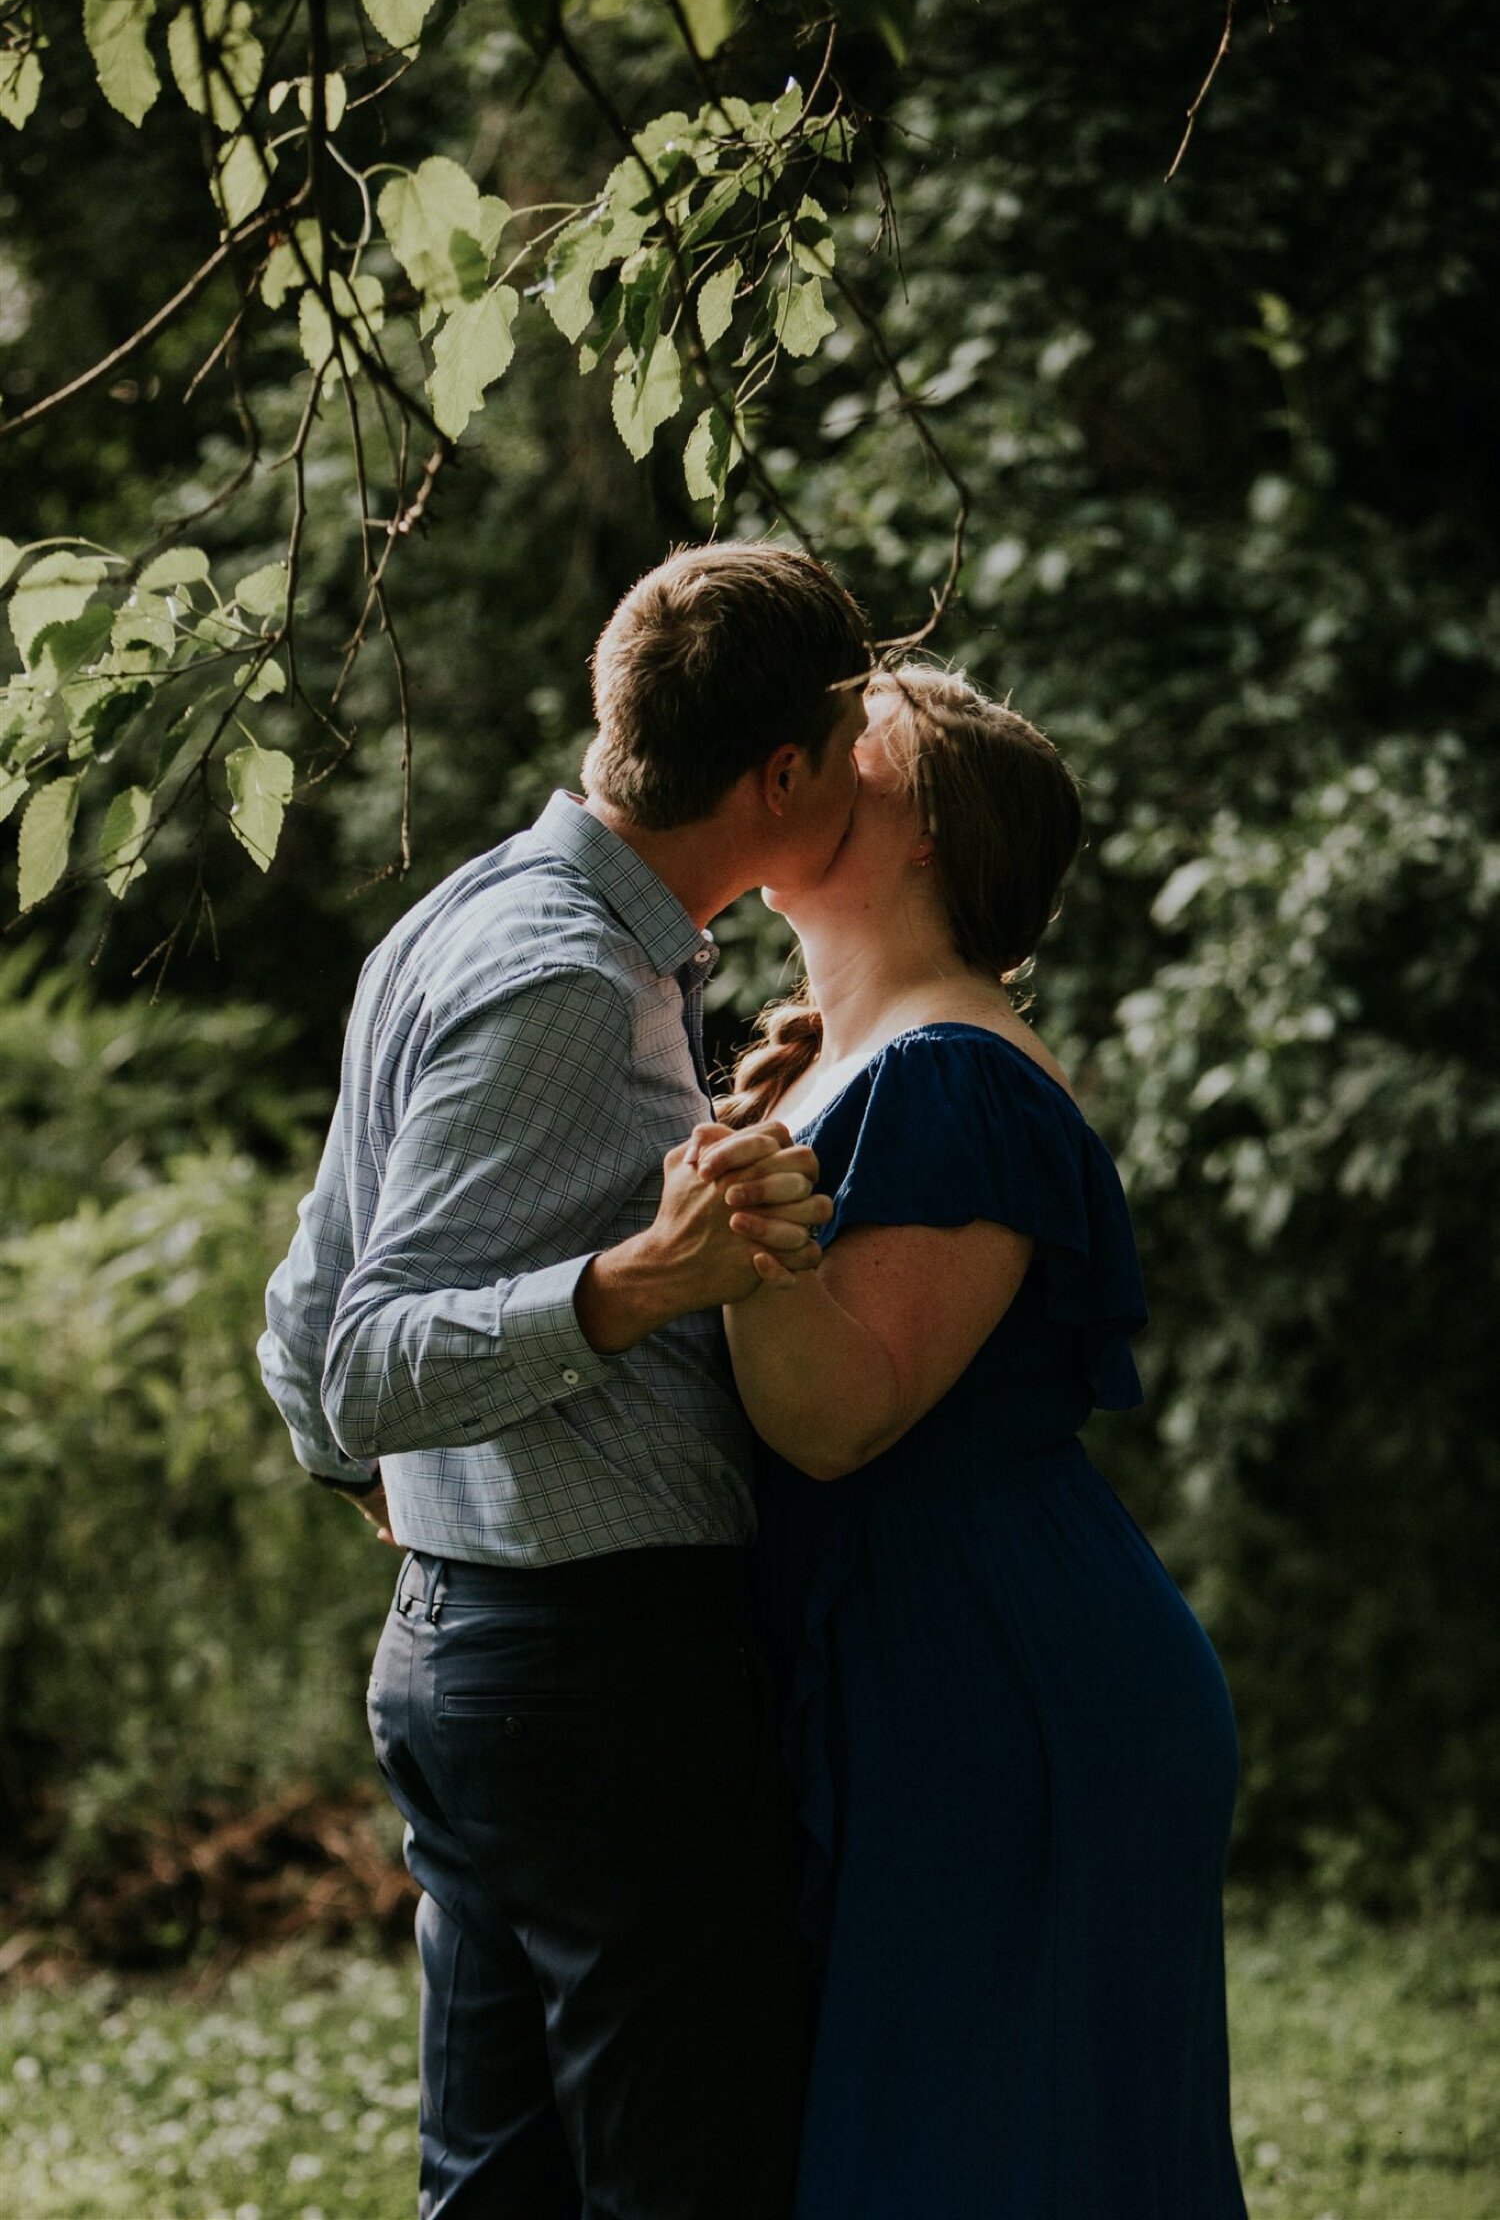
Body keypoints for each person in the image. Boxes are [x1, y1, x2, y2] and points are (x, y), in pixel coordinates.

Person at [257, 542, 873, 2220]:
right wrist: (628, 1289)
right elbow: (369, 1349)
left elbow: (304, 1329)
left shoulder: (471, 919)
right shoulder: (561, 976)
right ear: (783, 774)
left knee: (499, 2192)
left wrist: (394, 1504)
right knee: (685, 2184)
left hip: (480, 1654)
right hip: (593, 1679)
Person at [701, 664, 1249, 2220]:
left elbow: (837, 1415)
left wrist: (736, 1227)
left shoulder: (953, 1071)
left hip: (1002, 1684)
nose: (784, 758)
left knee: (989, 2157)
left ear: (926, 823)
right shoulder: (835, 1059)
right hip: (916, 1657)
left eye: (841, 745)